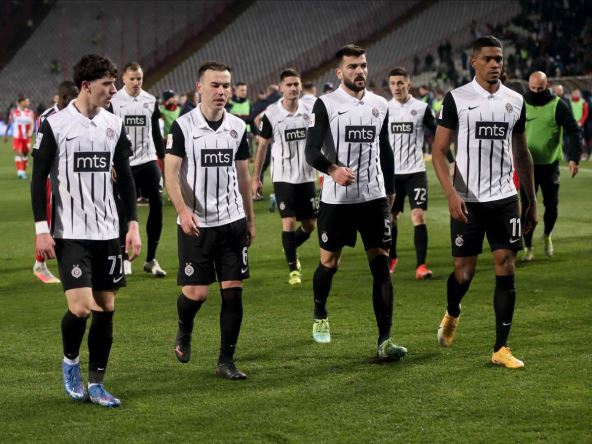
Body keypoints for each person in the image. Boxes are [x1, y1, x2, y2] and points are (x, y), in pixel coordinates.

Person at [31, 54, 141, 407]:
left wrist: (132, 225)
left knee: (106, 307)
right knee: (81, 308)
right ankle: (70, 362)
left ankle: (97, 384)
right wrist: (41, 229)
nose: (113, 90)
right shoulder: (55, 125)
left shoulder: (114, 124)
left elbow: (125, 177)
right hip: (71, 233)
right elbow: (37, 179)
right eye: (107, 84)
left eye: (114, 83)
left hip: (108, 232)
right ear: (85, 86)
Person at [431, 36, 537, 369]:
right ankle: (453, 311)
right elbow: (438, 151)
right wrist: (451, 193)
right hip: (468, 200)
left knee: (506, 264)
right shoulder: (457, 99)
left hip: (505, 198)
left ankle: (501, 348)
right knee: (464, 273)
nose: (495, 64)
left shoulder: (515, 101)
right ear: (474, 62)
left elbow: (521, 151)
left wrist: (531, 200)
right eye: (488, 59)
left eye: (499, 59)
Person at [305, 44, 407, 361]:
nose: (359, 71)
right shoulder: (325, 104)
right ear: (340, 72)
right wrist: (333, 170)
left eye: (362, 65)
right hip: (337, 201)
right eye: (352, 66)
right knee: (329, 263)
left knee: (381, 267)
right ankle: (320, 311)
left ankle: (385, 341)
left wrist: (390, 188)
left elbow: (385, 148)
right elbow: (311, 151)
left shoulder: (380, 104)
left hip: (373, 198)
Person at [165, 61, 255, 380]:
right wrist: (182, 211)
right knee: (197, 293)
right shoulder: (183, 126)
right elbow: (170, 174)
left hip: (232, 221)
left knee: (233, 290)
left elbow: (243, 177)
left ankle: (225, 361)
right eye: (215, 85)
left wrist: (250, 220)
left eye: (225, 85)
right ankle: (184, 328)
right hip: (197, 224)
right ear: (199, 87)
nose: (221, 91)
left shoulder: (238, 127)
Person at [252, 68, 317, 286]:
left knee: (310, 224)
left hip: (306, 176)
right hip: (283, 177)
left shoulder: (310, 110)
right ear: (281, 88)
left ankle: (290, 245)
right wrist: (256, 177)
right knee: (288, 221)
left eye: (296, 84)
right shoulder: (271, 114)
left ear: (301, 86)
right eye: (289, 84)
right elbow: (262, 146)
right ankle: (293, 269)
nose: (293, 88)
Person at [109, 61, 166, 277]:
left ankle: (151, 259)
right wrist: (111, 162)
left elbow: (156, 134)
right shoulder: (114, 102)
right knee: (123, 211)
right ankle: (125, 257)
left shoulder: (150, 100)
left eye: (139, 78)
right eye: (132, 78)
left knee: (157, 205)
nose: (136, 82)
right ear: (123, 79)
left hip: (147, 161)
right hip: (124, 164)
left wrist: (163, 162)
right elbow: (108, 133)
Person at [520, 71, 581, 261]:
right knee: (526, 207)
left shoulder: (557, 105)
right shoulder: (520, 104)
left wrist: (574, 158)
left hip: (549, 166)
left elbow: (573, 131)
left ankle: (547, 235)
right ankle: (528, 246)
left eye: (540, 88)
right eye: (533, 88)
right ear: (528, 86)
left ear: (547, 86)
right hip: (526, 167)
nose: (536, 92)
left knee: (552, 207)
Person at [386, 67, 437, 279]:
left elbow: (438, 134)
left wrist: (452, 161)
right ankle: (392, 257)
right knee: (391, 217)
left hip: (416, 171)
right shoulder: (384, 109)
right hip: (392, 174)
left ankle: (421, 266)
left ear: (409, 83)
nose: (396, 87)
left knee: (418, 215)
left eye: (400, 82)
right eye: (393, 83)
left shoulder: (422, 108)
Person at [33, 80, 79, 284]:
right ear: (64, 98)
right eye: (74, 97)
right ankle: (40, 264)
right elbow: (42, 154)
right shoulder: (46, 118)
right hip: (51, 178)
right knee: (49, 220)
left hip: (72, 177)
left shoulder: (77, 113)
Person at [4, 96, 35, 179]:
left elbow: (32, 124)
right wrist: (6, 135)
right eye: (24, 101)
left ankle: (23, 172)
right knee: (18, 152)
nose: (26, 103)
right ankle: (20, 172)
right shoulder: (14, 112)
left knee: (25, 154)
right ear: (20, 103)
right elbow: (9, 123)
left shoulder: (30, 112)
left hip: (26, 138)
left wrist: (30, 132)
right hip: (17, 137)